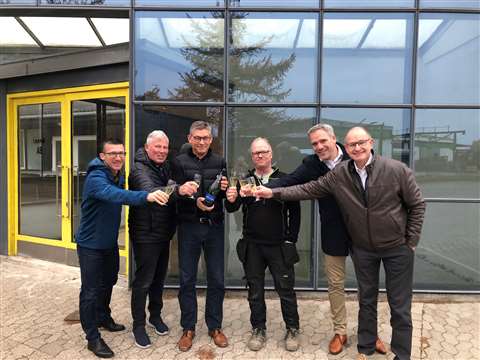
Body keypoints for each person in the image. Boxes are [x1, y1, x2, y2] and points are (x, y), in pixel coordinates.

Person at [255, 127, 426, 360]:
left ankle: (390, 347)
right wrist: (271, 191)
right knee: (353, 293)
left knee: (390, 301)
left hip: (383, 243)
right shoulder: (329, 170)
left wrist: (411, 241)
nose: (357, 148)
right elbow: (303, 187)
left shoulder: (383, 167)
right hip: (349, 240)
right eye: (314, 144)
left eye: (361, 143)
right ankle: (353, 340)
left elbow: (416, 204)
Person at [267, 124, 386, 355]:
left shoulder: (354, 155)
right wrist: (263, 188)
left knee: (367, 286)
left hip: (363, 233)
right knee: (335, 285)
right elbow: (290, 181)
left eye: (323, 141)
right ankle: (340, 331)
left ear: (334, 139)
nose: (319, 147)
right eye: (314, 144)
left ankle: (370, 334)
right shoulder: (312, 165)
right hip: (333, 233)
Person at [75, 139, 168, 358]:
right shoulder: (97, 177)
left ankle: (103, 317)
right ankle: (92, 338)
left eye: (121, 153)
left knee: (109, 281)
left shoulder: (115, 173)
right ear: (102, 156)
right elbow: (116, 195)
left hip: (108, 243)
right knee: (90, 291)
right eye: (113, 153)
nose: (118, 157)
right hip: (90, 245)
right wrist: (146, 196)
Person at [225, 137, 301, 352]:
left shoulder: (284, 179)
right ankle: (258, 329)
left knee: (285, 290)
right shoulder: (245, 180)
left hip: (278, 245)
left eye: (263, 152)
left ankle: (293, 328)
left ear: (271, 154)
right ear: (252, 156)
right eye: (256, 153)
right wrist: (230, 199)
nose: (259, 156)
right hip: (252, 246)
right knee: (255, 291)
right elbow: (232, 209)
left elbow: (295, 214)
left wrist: (290, 240)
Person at [128, 130, 198, 349]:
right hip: (145, 234)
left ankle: (154, 316)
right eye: (157, 147)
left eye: (165, 147)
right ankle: (138, 326)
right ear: (148, 147)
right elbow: (152, 191)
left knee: (159, 279)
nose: (161, 151)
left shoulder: (164, 165)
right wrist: (179, 189)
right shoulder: (139, 168)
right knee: (143, 282)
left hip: (163, 232)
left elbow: (172, 177)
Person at [171, 121, 229, 352]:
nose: (202, 141)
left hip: (214, 227)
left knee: (216, 279)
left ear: (211, 139)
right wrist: (192, 200)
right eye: (197, 137)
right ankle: (188, 328)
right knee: (187, 280)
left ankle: (214, 327)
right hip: (189, 227)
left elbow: (226, 196)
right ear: (190, 137)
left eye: (205, 137)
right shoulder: (178, 162)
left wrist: (226, 190)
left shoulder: (220, 162)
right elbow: (173, 193)